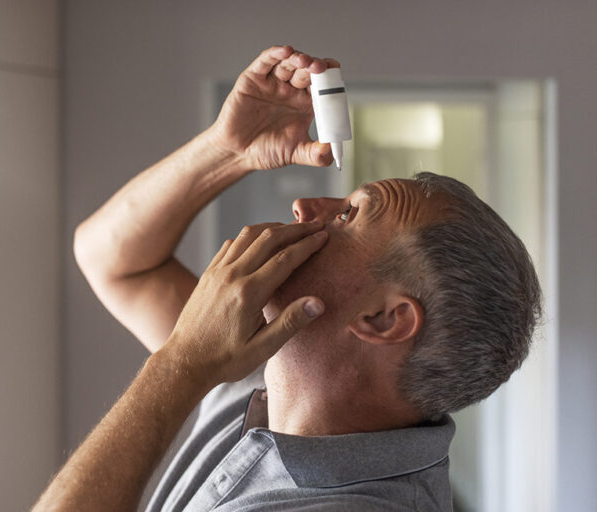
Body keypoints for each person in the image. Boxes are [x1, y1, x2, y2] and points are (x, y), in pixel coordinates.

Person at [33, 46, 541, 511]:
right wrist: (228, 151)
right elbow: (116, 260)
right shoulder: (260, 378)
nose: (303, 207)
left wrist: (184, 363)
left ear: (385, 318)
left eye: (346, 217)